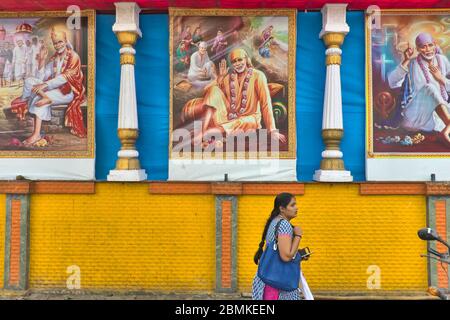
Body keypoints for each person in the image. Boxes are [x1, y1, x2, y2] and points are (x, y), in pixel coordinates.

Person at [181, 47, 286, 147]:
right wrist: (220, 78)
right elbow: (207, 91)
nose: (237, 63)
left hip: (248, 119)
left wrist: (272, 130)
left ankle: (208, 135)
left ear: (246, 60)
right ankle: (204, 132)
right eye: (234, 61)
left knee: (246, 122)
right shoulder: (228, 78)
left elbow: (265, 103)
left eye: (240, 60)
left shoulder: (258, 76)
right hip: (229, 116)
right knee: (214, 90)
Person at [15, 28, 86, 145]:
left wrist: (45, 85)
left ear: (65, 41)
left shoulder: (74, 56)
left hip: (67, 92)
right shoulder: (54, 59)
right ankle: (27, 100)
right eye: (55, 43)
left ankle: (36, 135)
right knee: (29, 81)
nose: (57, 45)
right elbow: (42, 77)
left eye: (60, 42)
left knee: (39, 99)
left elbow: (65, 77)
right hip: (53, 89)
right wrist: (41, 61)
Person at [387, 32, 450, 147]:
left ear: (435, 45)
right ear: (418, 49)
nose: (428, 49)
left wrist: (441, 79)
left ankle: (446, 130)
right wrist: (406, 60)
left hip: (435, 120)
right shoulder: (412, 63)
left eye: (430, 45)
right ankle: (448, 129)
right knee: (429, 88)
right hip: (415, 116)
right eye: (423, 46)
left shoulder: (442, 60)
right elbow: (392, 82)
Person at [252, 193, 303, 300]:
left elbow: (280, 250)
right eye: (292, 205)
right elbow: (286, 256)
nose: (296, 207)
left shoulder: (274, 221)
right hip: (277, 284)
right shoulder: (284, 224)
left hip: (267, 279)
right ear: (282, 209)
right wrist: (298, 235)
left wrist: (299, 254)